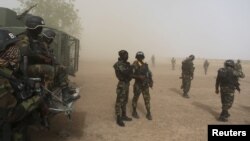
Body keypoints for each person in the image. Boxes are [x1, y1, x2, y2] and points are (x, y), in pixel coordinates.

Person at [0, 29, 42, 141]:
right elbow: (10, 115)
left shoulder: (6, 71)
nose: (15, 55)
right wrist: (36, 99)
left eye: (15, 50)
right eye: (10, 52)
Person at [131, 51, 153, 120]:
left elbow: (149, 73)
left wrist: (151, 81)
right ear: (137, 57)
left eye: (141, 57)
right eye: (139, 57)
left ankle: (148, 113)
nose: (140, 58)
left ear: (143, 57)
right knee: (135, 98)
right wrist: (139, 77)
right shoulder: (135, 64)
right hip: (138, 85)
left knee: (147, 99)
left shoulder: (145, 65)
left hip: (145, 85)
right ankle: (134, 111)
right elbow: (131, 75)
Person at [113, 50, 133, 127]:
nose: (127, 57)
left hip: (126, 83)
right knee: (119, 102)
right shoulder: (118, 64)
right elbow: (126, 73)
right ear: (121, 56)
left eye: (127, 55)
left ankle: (124, 115)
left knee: (125, 101)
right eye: (126, 55)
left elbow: (130, 73)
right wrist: (131, 67)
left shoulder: (126, 64)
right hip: (122, 84)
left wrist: (131, 68)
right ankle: (118, 118)